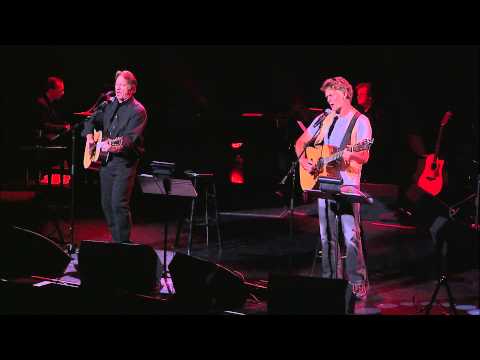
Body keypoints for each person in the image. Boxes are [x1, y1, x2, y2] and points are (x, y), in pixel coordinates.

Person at [295, 76, 372, 300]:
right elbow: (301, 142)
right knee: (326, 235)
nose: (328, 100)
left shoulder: (360, 120)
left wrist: (352, 153)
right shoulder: (323, 118)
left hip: (347, 186)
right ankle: (330, 282)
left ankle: (357, 281)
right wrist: (303, 160)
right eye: (326, 96)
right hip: (324, 183)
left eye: (331, 95)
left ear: (344, 93)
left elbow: (365, 154)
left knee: (350, 236)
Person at [82, 70, 147, 244]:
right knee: (106, 205)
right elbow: (90, 120)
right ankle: (116, 241)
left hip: (124, 164)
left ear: (132, 89)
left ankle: (123, 244)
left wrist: (108, 144)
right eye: (116, 85)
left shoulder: (138, 111)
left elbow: (128, 141)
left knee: (119, 204)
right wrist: (89, 138)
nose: (117, 89)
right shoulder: (109, 105)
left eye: (122, 86)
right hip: (106, 163)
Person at [355, 82, 394, 184]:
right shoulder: (361, 113)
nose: (358, 97)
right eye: (358, 94)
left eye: (362, 94)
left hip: (373, 158)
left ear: (370, 97)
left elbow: (376, 138)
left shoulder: (377, 115)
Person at [34, 76, 70, 144]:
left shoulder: (50, 103)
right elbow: (43, 125)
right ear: (51, 90)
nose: (63, 93)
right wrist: (63, 127)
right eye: (61, 90)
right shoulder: (41, 103)